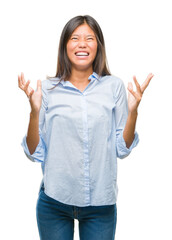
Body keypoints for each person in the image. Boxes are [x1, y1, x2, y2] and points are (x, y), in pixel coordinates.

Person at [18, 15, 153, 240]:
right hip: (54, 202)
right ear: (65, 46)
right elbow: (34, 153)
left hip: (101, 204)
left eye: (89, 38)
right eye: (75, 38)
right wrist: (33, 112)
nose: (82, 44)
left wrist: (134, 112)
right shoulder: (48, 89)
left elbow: (122, 149)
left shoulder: (114, 86)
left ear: (98, 45)